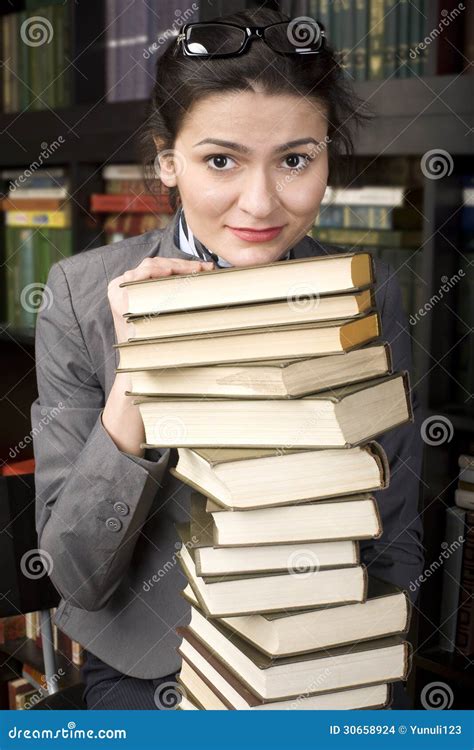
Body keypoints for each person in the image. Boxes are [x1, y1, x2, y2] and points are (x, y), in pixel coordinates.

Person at [31, 7, 424, 710]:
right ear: (166, 162)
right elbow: (75, 575)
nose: (261, 202)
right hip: (154, 666)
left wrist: (369, 656)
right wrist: (140, 372)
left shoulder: (369, 292)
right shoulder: (79, 296)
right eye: (221, 160)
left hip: (325, 656)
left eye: (296, 160)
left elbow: (391, 527)